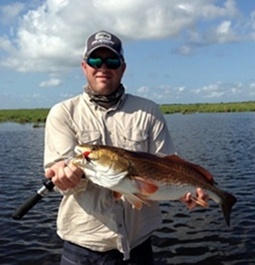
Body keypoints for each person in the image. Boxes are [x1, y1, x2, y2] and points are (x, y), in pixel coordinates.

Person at [44, 30, 208, 265]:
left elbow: (168, 166)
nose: (103, 67)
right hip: (82, 248)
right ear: (84, 66)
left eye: (112, 61)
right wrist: (64, 176)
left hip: (138, 247)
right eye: (95, 60)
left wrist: (186, 192)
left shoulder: (149, 111)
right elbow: (60, 172)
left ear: (123, 67)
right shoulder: (62, 113)